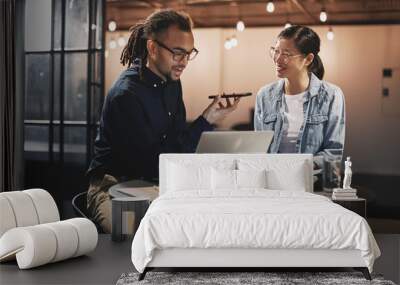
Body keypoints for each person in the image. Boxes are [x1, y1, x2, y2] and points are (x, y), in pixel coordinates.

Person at [87, 9, 240, 233]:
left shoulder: (172, 82)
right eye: (177, 53)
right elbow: (156, 161)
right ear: (152, 47)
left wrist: (208, 119)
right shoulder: (126, 95)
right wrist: (203, 123)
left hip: (153, 181)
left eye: (189, 53)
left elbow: (175, 146)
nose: (184, 62)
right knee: (138, 234)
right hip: (112, 186)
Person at [254, 25, 345, 165]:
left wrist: (296, 168)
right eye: (276, 51)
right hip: (271, 181)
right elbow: (259, 149)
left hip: (311, 181)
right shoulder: (264, 95)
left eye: (286, 54)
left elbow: (333, 152)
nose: (277, 59)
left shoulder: (332, 96)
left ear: (308, 59)